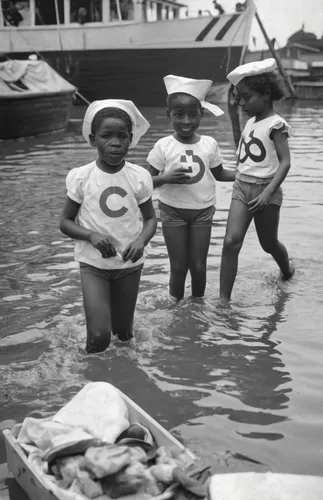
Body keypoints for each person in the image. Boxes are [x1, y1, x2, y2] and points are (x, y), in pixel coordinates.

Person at [60, 99, 157, 353]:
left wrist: (140, 241)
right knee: (100, 337)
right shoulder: (81, 177)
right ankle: (91, 383)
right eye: (107, 136)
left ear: (130, 139)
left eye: (122, 136)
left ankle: (121, 383)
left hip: (129, 264)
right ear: (93, 140)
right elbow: (65, 223)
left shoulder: (139, 177)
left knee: (124, 336)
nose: (115, 142)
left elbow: (150, 219)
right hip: (94, 266)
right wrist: (90, 235)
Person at [147, 75, 235, 301]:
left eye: (192, 115)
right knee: (177, 267)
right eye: (178, 115)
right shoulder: (163, 146)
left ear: (201, 115)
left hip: (203, 212)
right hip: (172, 210)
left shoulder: (209, 144)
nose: (186, 121)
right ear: (168, 116)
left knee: (199, 267)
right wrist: (166, 178)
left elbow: (220, 174)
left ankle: (196, 307)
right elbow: (145, 181)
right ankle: (176, 309)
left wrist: (245, 174)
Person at [219, 58, 294, 302]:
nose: (242, 103)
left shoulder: (276, 124)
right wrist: (232, 113)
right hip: (242, 186)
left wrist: (267, 193)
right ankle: (223, 301)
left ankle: (287, 271)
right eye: (239, 98)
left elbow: (285, 162)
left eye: (246, 97)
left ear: (266, 93)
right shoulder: (251, 122)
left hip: (266, 191)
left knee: (268, 243)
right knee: (231, 242)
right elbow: (243, 150)